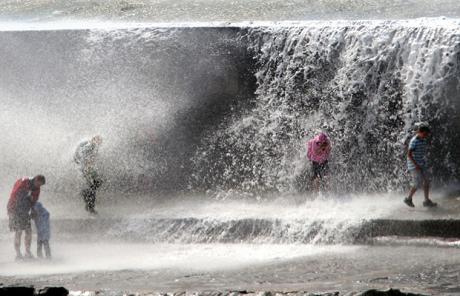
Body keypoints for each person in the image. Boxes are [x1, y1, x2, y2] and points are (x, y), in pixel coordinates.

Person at [7, 175, 46, 260]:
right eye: (38, 184)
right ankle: (18, 254)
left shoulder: (36, 188)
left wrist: (33, 210)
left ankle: (27, 252)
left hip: (24, 210)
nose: (39, 187)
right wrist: (11, 211)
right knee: (18, 231)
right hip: (14, 208)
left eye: (40, 185)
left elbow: (34, 200)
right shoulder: (24, 182)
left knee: (28, 231)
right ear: (36, 180)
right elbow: (14, 194)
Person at [404, 124, 437, 208]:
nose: (426, 136)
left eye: (427, 134)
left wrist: (423, 163)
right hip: (414, 165)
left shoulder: (423, 140)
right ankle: (408, 199)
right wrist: (416, 165)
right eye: (425, 134)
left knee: (427, 180)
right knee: (417, 183)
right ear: (419, 132)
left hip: (421, 164)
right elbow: (409, 154)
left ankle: (426, 201)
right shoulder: (414, 141)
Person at [74, 135, 103, 214]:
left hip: (88, 168)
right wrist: (85, 162)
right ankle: (90, 206)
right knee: (91, 187)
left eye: (100, 142)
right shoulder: (89, 145)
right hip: (85, 169)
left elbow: (78, 155)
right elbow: (82, 155)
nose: (99, 143)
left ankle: (86, 197)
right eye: (98, 141)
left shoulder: (89, 144)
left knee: (96, 183)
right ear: (94, 139)